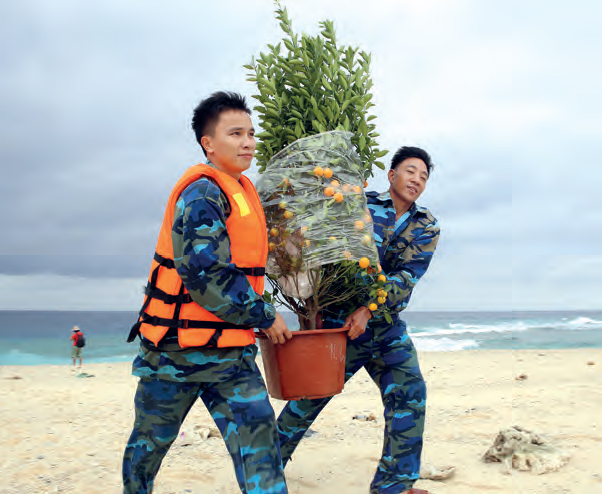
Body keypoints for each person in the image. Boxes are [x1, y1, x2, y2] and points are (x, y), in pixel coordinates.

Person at [122, 91, 292, 494]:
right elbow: (204, 274)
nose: (248, 142)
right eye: (236, 133)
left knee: (260, 450)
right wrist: (265, 316)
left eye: (251, 133)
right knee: (148, 448)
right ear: (208, 143)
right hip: (173, 354)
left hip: (230, 356)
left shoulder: (243, 190)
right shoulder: (201, 193)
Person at [276, 146, 440, 494]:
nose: (417, 180)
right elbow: (330, 251)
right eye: (411, 171)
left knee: (409, 396)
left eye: (424, 176)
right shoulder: (358, 203)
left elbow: (406, 277)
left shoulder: (427, 225)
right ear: (391, 174)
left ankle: (394, 485)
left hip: (386, 327)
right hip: (339, 326)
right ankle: (264, 469)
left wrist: (368, 310)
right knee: (309, 400)